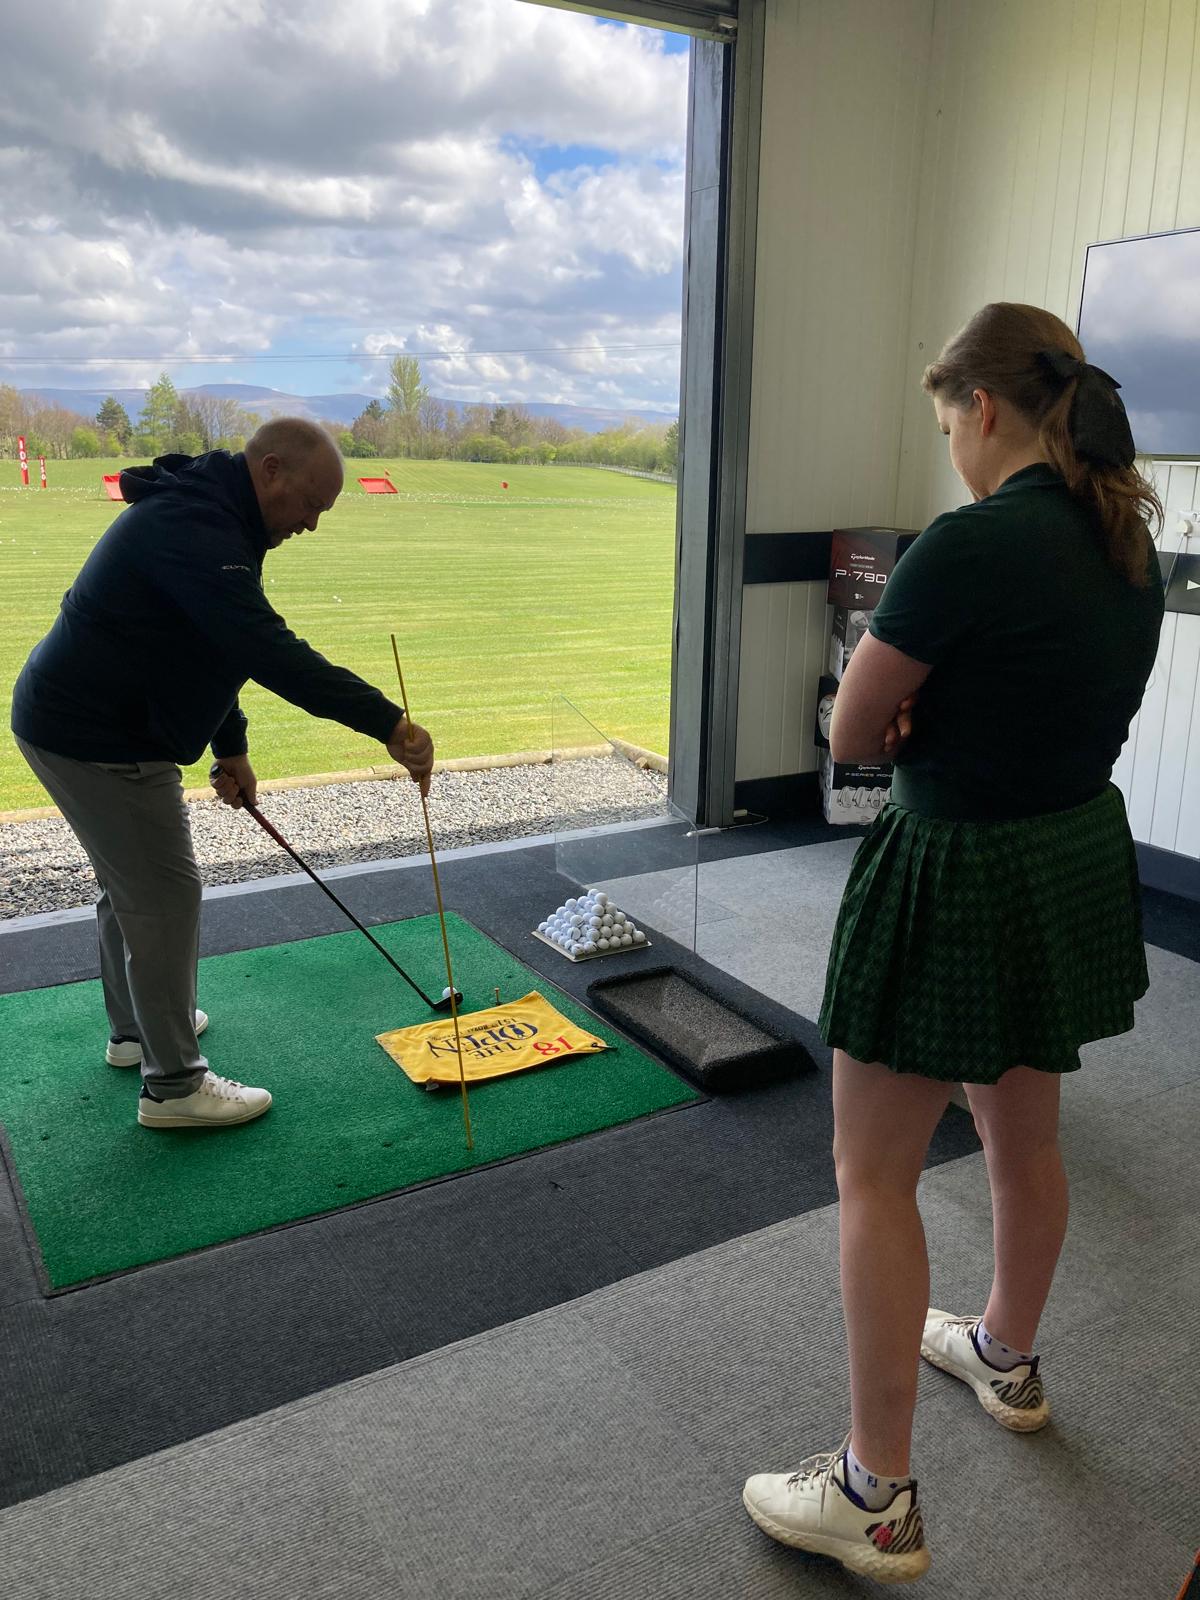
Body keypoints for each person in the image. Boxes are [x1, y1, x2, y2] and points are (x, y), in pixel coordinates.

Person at [741, 303, 1165, 1583]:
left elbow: (851, 734)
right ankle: (1005, 1354)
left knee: (872, 1171)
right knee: (1022, 1138)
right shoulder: (1125, 540)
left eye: (947, 428)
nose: (953, 453)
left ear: (982, 408)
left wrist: (916, 713)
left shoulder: (967, 543)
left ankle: (873, 1493)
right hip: (1064, 857)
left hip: (959, 868)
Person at [10, 418, 434, 1130]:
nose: (312, 523)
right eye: (311, 504)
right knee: (163, 894)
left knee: (133, 887)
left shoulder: (220, 514)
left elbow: (209, 643)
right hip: (94, 733)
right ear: (271, 470)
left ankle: (135, 1031)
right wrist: (388, 723)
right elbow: (265, 649)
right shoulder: (196, 525)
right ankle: (174, 1086)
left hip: (81, 719)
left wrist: (230, 746)